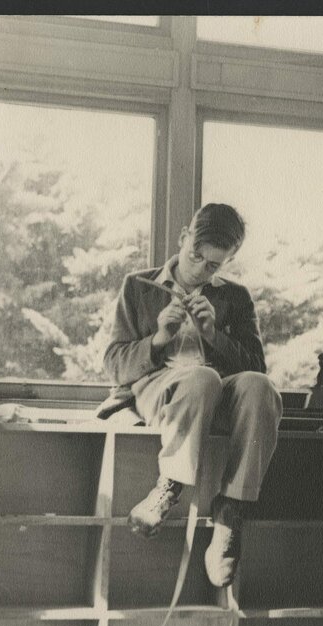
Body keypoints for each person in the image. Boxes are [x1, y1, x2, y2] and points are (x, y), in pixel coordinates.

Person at [103, 203, 282, 588]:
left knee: (259, 387)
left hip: (215, 397)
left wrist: (214, 335)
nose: (200, 269)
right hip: (161, 391)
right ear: (184, 238)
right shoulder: (138, 286)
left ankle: (231, 511)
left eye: (213, 265)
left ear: (228, 260)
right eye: (195, 256)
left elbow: (256, 367)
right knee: (201, 377)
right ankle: (169, 486)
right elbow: (114, 365)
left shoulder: (235, 297)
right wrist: (158, 339)